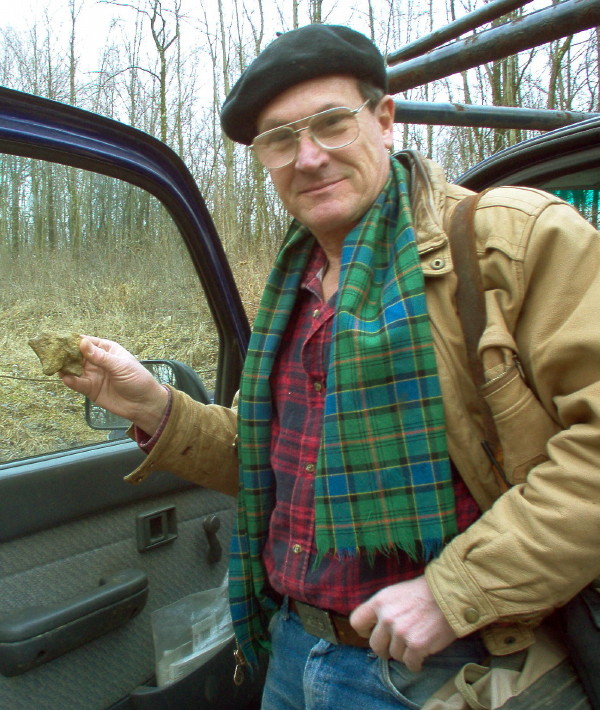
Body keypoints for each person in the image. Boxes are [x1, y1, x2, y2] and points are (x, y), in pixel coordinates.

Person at [60, 24, 600, 710]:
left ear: (382, 118)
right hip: (292, 648)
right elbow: (282, 467)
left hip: (449, 663)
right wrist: (152, 405)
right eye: (280, 139)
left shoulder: (510, 240)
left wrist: (454, 590)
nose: (308, 156)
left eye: (331, 124)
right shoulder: (298, 281)